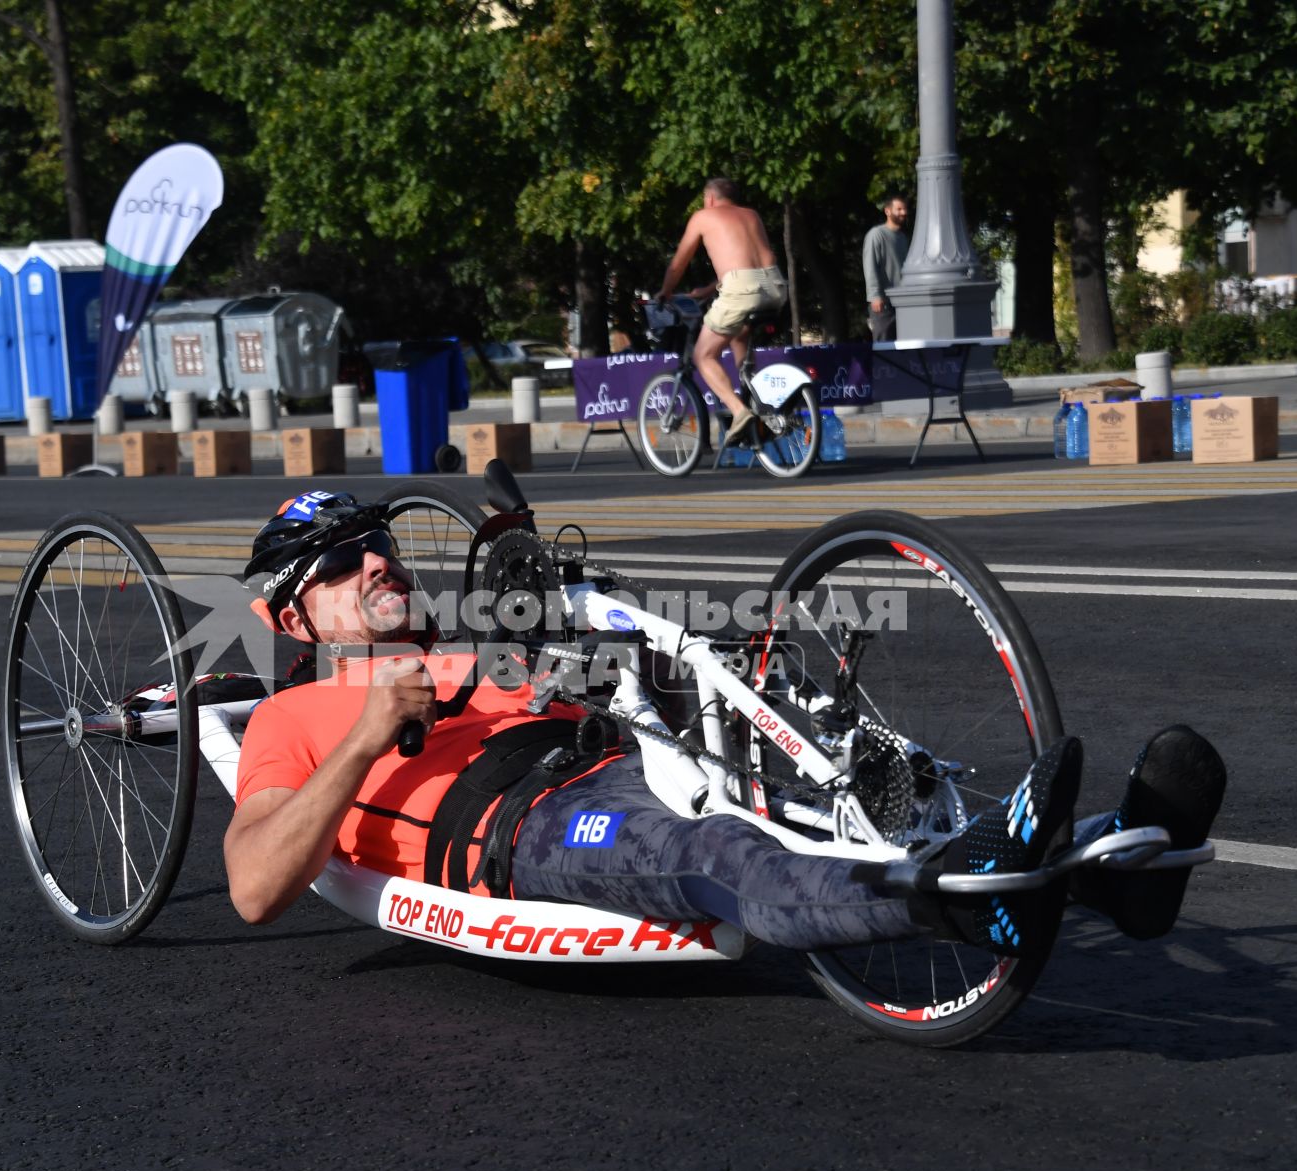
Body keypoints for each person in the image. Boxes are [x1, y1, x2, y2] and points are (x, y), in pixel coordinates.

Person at [223, 491, 1227, 952]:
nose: (377, 563)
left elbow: (636, 684)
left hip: (627, 750)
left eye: (379, 543)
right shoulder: (293, 713)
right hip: (524, 824)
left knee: (818, 759)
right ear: (290, 615)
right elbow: (256, 885)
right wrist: (361, 736)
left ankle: (1117, 858)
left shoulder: (476, 648)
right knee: (716, 850)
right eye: (344, 564)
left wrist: (620, 643)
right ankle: (952, 901)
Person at [655, 177, 786, 446]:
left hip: (741, 290)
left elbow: (679, 263)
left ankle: (740, 412)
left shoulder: (704, 216)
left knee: (704, 355)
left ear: (710, 199)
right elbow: (749, 266)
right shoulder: (752, 215)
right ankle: (754, 398)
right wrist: (707, 290)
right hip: (774, 285)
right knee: (738, 333)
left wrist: (665, 292)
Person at [863, 194, 910, 343]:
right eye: (899, 209)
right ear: (887, 211)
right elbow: (870, 265)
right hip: (884, 303)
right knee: (884, 343)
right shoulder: (876, 235)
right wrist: (875, 295)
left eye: (905, 209)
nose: (904, 212)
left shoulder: (903, 238)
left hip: (902, 301)